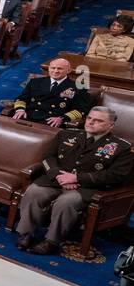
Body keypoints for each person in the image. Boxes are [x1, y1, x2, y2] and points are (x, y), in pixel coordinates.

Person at [15, 106, 134, 255]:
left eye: (98, 121)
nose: (91, 122)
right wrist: (58, 175)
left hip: (86, 187)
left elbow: (116, 175)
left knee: (65, 203)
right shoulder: (66, 134)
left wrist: (77, 178)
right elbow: (48, 157)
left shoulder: (122, 148)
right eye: (90, 118)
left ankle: (51, 241)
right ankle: (26, 233)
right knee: (34, 191)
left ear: (111, 125)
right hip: (55, 180)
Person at [8, 58, 89, 127]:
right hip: (28, 115)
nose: (55, 71)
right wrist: (20, 110)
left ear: (68, 70)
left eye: (60, 68)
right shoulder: (35, 82)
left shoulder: (78, 87)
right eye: (53, 68)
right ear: (49, 68)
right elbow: (21, 99)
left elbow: (81, 110)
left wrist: (62, 119)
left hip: (52, 122)